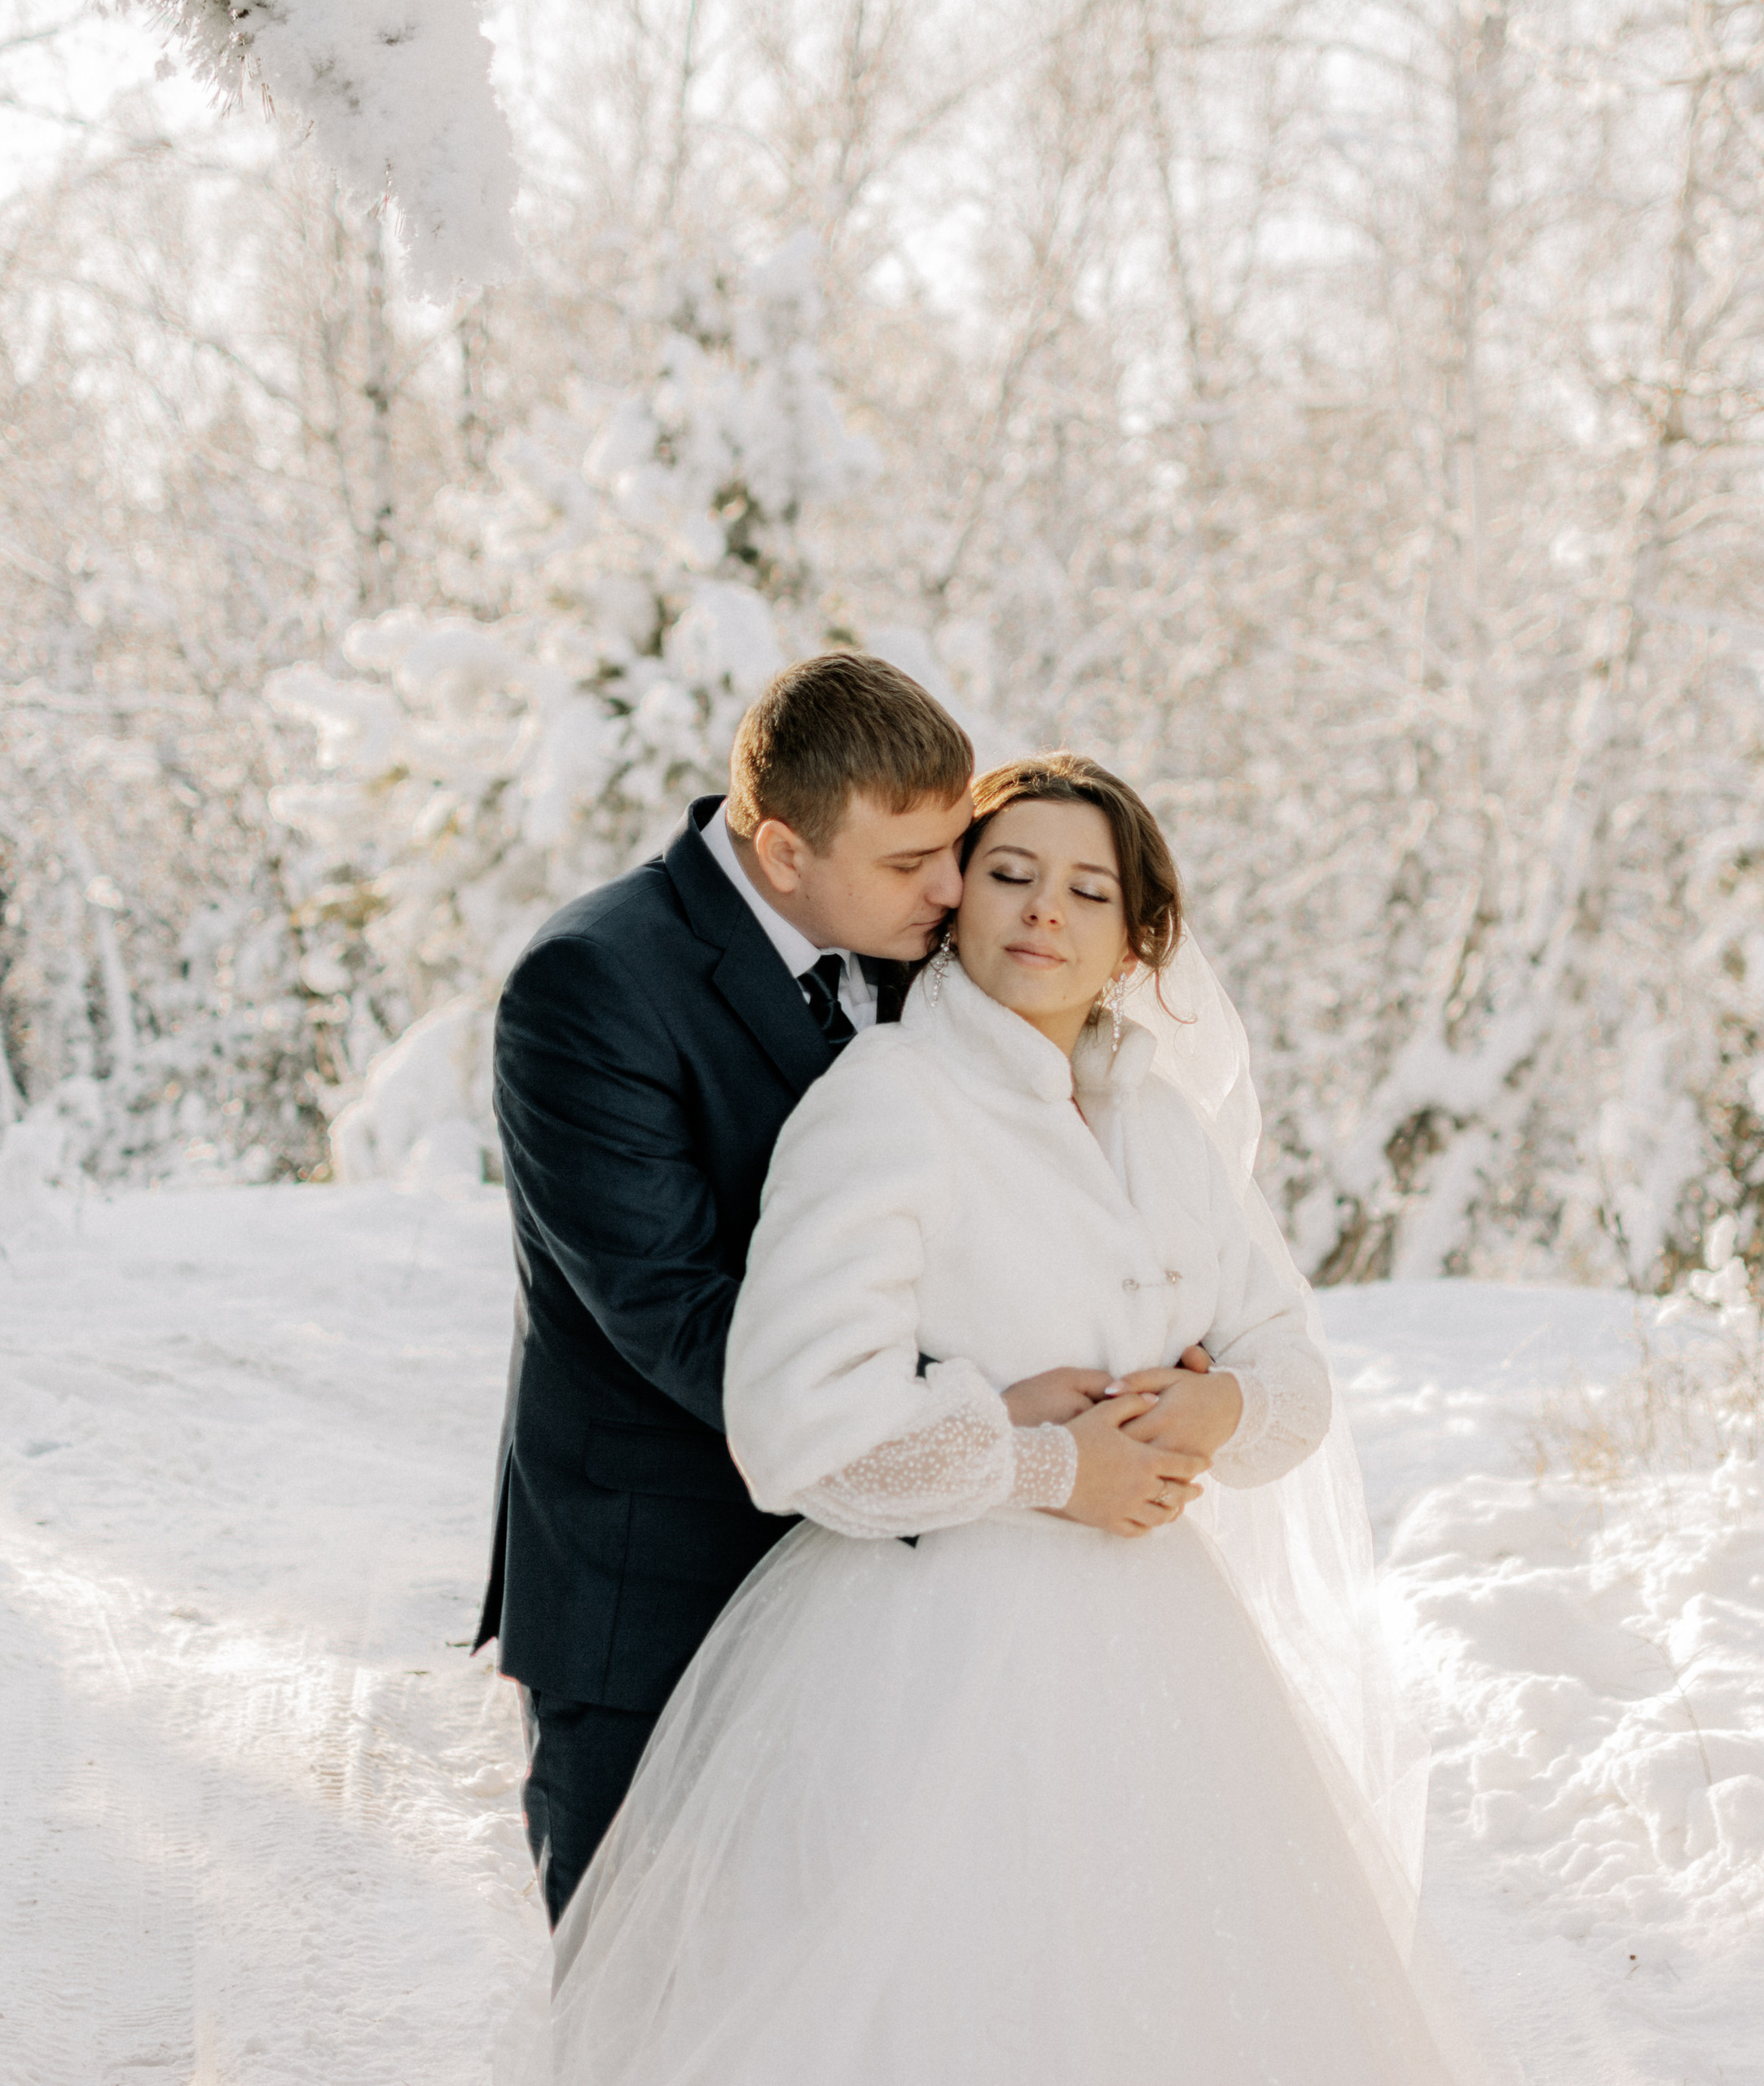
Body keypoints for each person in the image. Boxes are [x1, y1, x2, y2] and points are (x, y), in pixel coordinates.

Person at [521, 754, 1492, 2084]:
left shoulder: (1161, 1123)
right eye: (1011, 874)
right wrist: (1042, 1463)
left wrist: (1217, 1409)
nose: (1044, 911)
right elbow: (798, 1424)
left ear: (1137, 936)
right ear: (957, 905)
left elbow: (1295, 1376)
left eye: (1087, 889)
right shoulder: (887, 1102)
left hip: (1162, 1662)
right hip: (930, 1657)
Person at [476, 656, 1212, 1927]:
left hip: (892, 1600)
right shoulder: (593, 985)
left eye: (955, 851)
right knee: (651, 1997)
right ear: (779, 850)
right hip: (660, 1583)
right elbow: (675, 1312)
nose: (952, 889)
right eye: (913, 861)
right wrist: (994, 1421)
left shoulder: (903, 951)